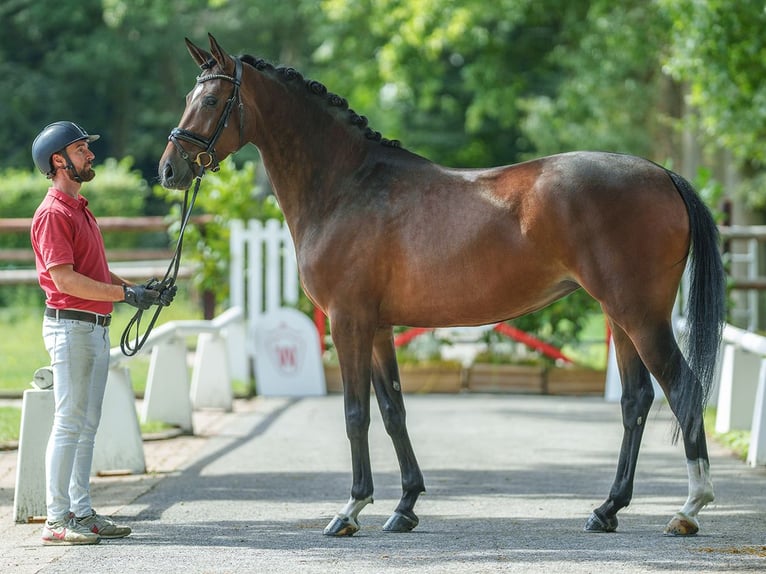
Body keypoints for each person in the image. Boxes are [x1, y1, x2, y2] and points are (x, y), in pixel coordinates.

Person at [30, 121, 177, 545]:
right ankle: (57, 518)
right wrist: (124, 293)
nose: (90, 155)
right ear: (59, 161)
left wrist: (137, 291)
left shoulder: (79, 208)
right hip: (72, 327)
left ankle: (81, 511)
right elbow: (65, 281)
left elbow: (91, 272)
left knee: (86, 424)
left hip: (92, 328)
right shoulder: (54, 213)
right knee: (69, 422)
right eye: (80, 149)